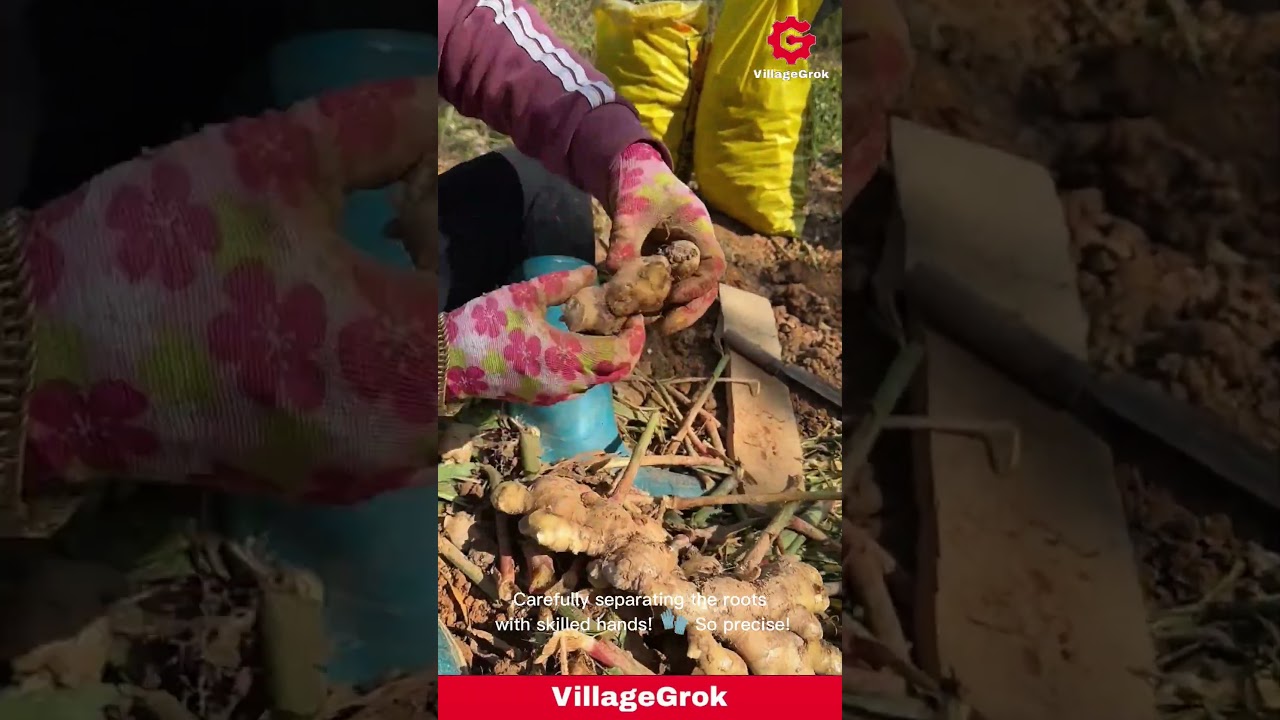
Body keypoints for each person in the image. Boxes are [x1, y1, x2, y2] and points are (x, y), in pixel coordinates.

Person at [0, 0, 726, 505]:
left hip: (304, 296)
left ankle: (583, 466)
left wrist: (623, 152)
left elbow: (473, 19)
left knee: (533, 190)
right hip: (123, 357)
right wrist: (40, 341)